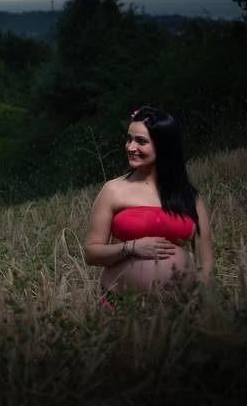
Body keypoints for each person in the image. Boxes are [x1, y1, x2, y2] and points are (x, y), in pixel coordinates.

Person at [83, 106, 214, 307]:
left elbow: (206, 262)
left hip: (179, 312)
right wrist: (132, 248)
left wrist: (199, 301)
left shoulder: (188, 195)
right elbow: (91, 254)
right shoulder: (113, 190)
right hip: (122, 309)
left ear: (163, 146)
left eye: (141, 141)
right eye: (129, 139)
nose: (130, 147)